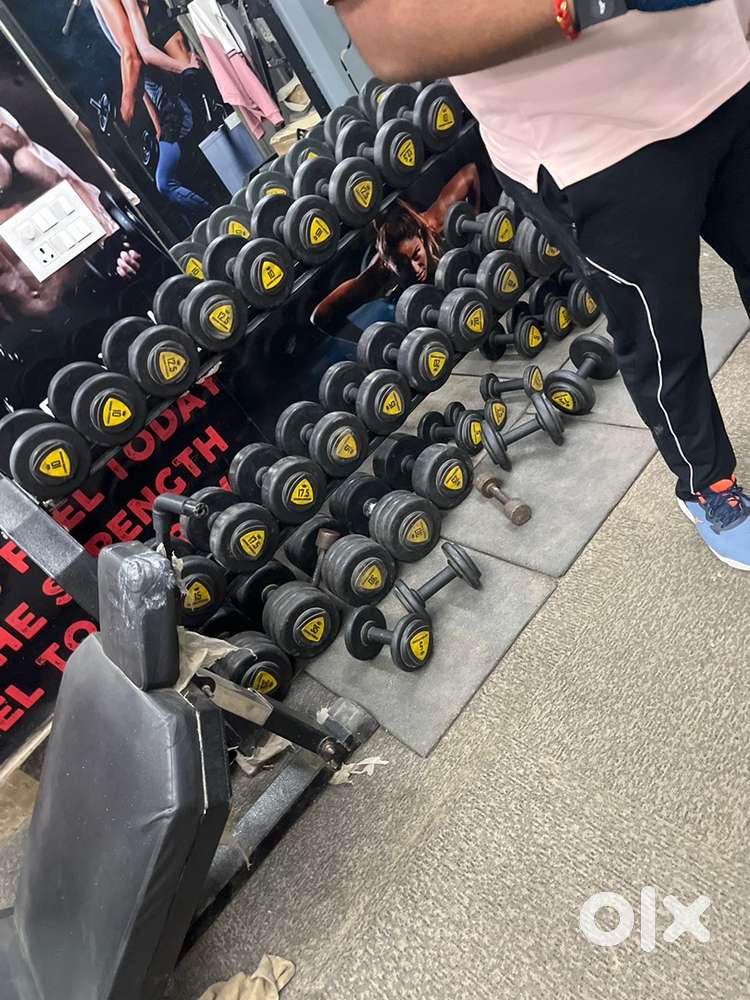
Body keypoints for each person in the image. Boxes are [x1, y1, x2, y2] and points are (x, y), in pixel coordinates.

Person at [333, 0, 750, 571]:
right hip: (592, 148)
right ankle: (707, 484)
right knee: (663, 334)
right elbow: (387, 38)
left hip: (725, 71)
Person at [312, 162, 480, 332]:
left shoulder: (432, 223)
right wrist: (362, 339)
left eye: (416, 254)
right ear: (388, 264)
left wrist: (476, 230)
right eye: (403, 265)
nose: (415, 268)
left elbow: (470, 172)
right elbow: (320, 315)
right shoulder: (378, 274)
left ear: (420, 236)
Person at [91, 0, 212, 229]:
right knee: (172, 183)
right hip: (168, 106)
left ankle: (217, 220)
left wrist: (126, 112)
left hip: (176, 104)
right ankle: (212, 225)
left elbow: (136, 56)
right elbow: (138, 70)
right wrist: (156, 123)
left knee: (165, 183)